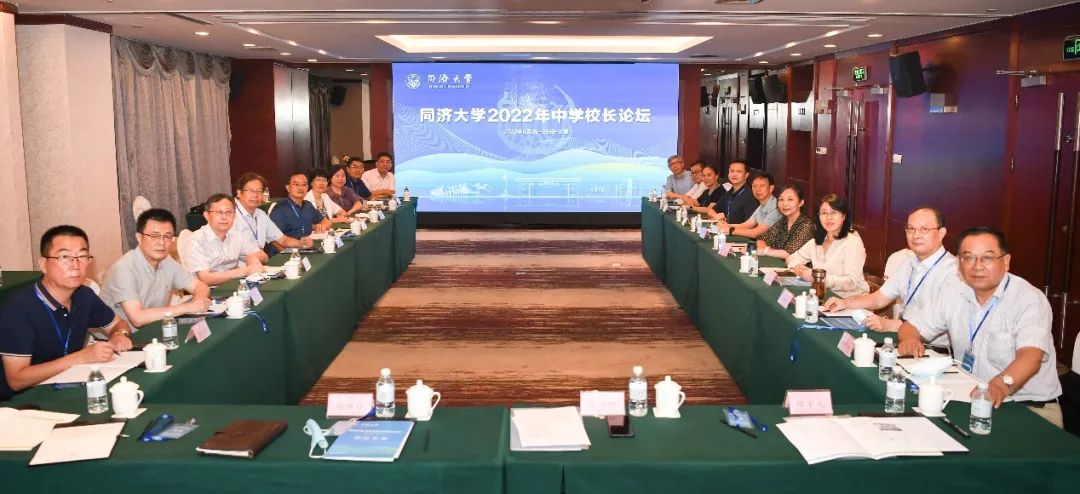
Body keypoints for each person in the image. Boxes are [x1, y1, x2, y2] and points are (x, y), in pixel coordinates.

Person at [898, 227, 1063, 427]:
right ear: (958, 263)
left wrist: (999, 385)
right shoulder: (954, 291)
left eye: (987, 258)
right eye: (968, 258)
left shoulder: (1029, 299)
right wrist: (910, 339)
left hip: (1028, 407)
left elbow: (1031, 357)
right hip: (971, 398)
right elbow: (911, 325)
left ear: (1006, 261)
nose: (977, 266)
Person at [0, 225, 134, 400]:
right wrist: (80, 358)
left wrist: (119, 335)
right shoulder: (18, 309)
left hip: (67, 386)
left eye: (82, 256)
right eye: (64, 257)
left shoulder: (84, 295)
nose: (75, 265)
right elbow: (16, 379)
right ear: (43, 264)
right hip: (21, 402)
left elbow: (118, 324)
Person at [822, 207, 955, 344]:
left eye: (924, 229)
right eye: (911, 229)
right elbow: (879, 298)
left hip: (931, 348)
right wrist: (845, 303)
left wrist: (890, 325)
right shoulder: (909, 262)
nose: (916, 235)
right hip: (900, 335)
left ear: (941, 233)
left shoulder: (953, 272)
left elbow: (936, 322)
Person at [101, 209, 212, 328]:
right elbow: (137, 318)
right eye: (154, 236)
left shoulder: (166, 261)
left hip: (156, 328)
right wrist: (187, 307)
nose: (161, 243)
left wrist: (198, 301)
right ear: (139, 238)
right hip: (123, 335)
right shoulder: (124, 268)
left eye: (167, 236)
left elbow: (200, 286)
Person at [786, 194, 869, 297]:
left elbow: (850, 282)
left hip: (850, 299)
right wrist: (798, 268)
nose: (828, 218)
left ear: (844, 216)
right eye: (824, 213)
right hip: (823, 296)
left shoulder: (852, 242)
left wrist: (818, 278)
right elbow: (791, 259)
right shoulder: (816, 242)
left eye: (834, 212)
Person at [183, 193, 267, 286]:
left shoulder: (236, 234)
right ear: (207, 216)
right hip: (208, 291)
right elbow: (206, 278)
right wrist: (244, 271)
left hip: (235, 285)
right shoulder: (196, 241)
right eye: (219, 212)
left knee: (261, 293)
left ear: (234, 216)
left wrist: (252, 257)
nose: (224, 217)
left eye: (228, 212)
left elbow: (263, 256)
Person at [232, 173, 312, 254]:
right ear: (239, 193)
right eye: (250, 191)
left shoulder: (260, 214)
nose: (255, 195)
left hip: (258, 259)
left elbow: (283, 240)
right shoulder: (231, 215)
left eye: (259, 191)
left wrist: (302, 243)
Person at [757, 185, 815, 260]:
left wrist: (765, 250)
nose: (785, 204)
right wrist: (764, 247)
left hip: (796, 267)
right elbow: (762, 239)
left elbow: (788, 254)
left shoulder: (806, 225)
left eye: (790, 199)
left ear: (800, 203)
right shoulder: (783, 221)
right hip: (777, 264)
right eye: (781, 199)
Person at [715, 172, 780, 239]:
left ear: (771, 188)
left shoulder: (776, 208)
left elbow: (755, 233)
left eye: (762, 186)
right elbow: (746, 225)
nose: (758, 189)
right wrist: (726, 225)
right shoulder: (761, 206)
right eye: (754, 186)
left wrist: (731, 230)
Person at [271, 172, 329, 239]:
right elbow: (274, 239)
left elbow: (326, 221)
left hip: (307, 242)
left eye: (304, 184)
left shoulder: (308, 205)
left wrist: (321, 226)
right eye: (296, 184)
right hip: (289, 245)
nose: (300, 188)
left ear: (307, 187)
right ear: (288, 188)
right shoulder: (280, 208)